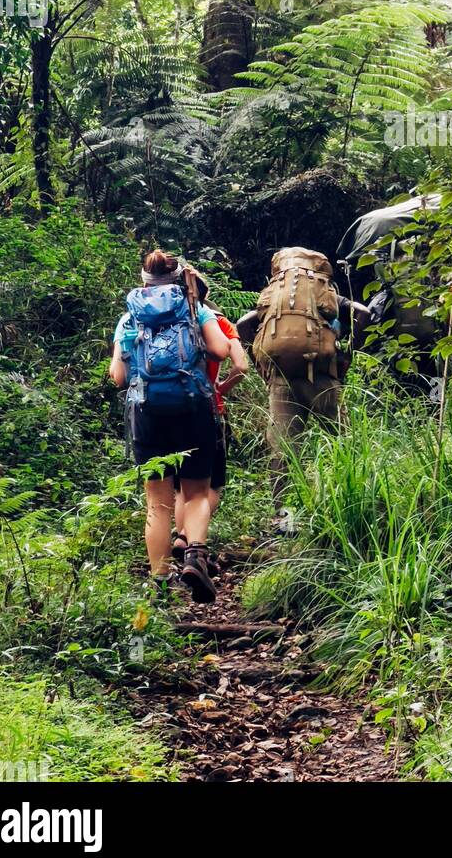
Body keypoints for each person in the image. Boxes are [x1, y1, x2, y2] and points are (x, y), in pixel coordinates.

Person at [109, 250, 232, 603]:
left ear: (143, 280)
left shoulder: (129, 317)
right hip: (192, 407)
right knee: (194, 492)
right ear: (177, 277)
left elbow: (118, 377)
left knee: (157, 503)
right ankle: (195, 555)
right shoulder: (194, 309)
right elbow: (222, 350)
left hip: (146, 412)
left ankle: (160, 582)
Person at [237, 246, 368, 526]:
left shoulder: (274, 297)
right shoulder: (327, 293)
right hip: (323, 377)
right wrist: (348, 353)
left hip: (282, 379)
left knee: (283, 452)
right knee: (342, 442)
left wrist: (259, 361)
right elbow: (363, 312)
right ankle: (349, 510)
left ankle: (286, 521)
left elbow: (242, 325)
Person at [171, 269, 247, 567]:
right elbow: (241, 365)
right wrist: (222, 389)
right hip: (207, 410)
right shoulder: (217, 322)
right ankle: (193, 542)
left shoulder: (164, 319)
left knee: (181, 486)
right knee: (209, 486)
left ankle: (179, 537)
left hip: (166, 411)